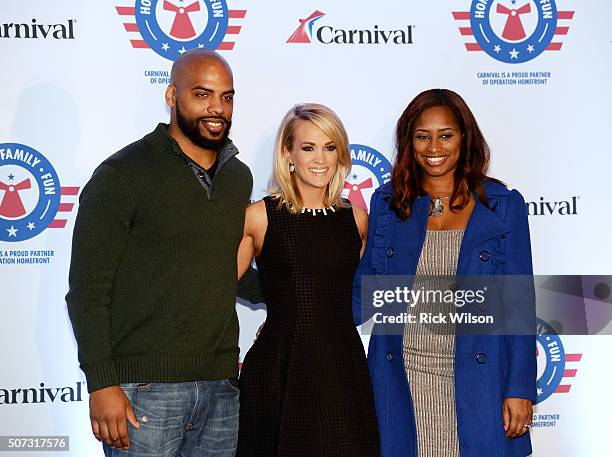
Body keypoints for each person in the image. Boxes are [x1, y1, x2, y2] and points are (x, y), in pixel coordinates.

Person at [66, 49, 252, 457]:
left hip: (221, 389)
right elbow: (88, 289)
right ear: (171, 95)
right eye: (202, 94)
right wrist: (101, 383)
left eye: (227, 96)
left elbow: (227, 269)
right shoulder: (123, 174)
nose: (216, 108)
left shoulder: (239, 177)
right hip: (143, 394)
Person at [353, 89, 536, 457]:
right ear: (410, 141)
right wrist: (298, 316)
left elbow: (518, 305)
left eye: (445, 134)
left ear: (464, 138)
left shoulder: (502, 205)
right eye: (423, 136)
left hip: (477, 379)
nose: (433, 146)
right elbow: (364, 294)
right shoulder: (388, 205)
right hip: (401, 379)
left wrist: (519, 388)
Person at [235, 103, 380, 457]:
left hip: (342, 370)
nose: (321, 158)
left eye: (330, 147)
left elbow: (357, 291)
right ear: (288, 153)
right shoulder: (259, 216)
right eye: (308, 147)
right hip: (279, 370)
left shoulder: (357, 219)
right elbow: (219, 285)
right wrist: (280, 301)